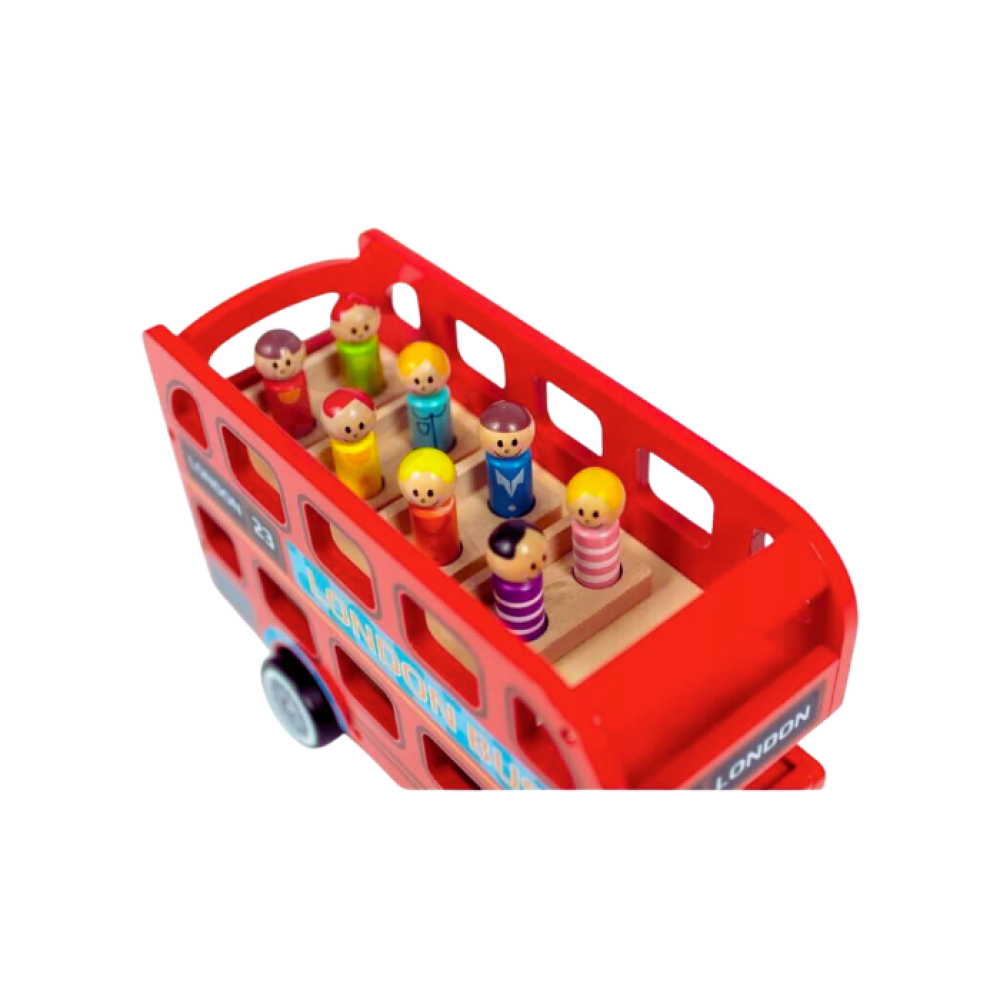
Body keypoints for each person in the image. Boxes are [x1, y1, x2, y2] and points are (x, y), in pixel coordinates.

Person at [486, 519, 549, 641]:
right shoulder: (504, 580)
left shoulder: (534, 577)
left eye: (544, 557)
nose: (541, 567)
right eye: (533, 566)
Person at [397, 448, 461, 565]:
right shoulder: (416, 509)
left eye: (430, 493)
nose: (423, 499)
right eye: (416, 493)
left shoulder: (447, 502)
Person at [565, 467, 626, 589]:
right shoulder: (578, 526)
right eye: (581, 512)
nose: (587, 519)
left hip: (609, 585)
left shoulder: (609, 524)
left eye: (595, 514)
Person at [319, 388, 382, 499]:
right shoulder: (339, 443)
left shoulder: (368, 437)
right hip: (351, 494)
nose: (355, 433)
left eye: (361, 426)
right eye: (348, 430)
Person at [253, 329, 315, 438]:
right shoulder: (271, 385)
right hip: (285, 433)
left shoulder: (299, 376)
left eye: (288, 362)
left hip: (305, 423)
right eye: (275, 365)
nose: (282, 369)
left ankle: (304, 427)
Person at [478, 400, 535, 517]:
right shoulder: (493, 460)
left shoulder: (524, 456)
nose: (507, 449)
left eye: (514, 443)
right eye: (500, 444)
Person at [397, 341, 455, 451]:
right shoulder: (412, 399)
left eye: (430, 380)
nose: (424, 386)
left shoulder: (443, 394)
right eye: (417, 381)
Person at [329, 293, 386, 396]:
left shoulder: (372, 340)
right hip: (354, 392)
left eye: (366, 328)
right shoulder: (344, 346)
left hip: (377, 387)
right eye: (354, 331)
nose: (361, 334)